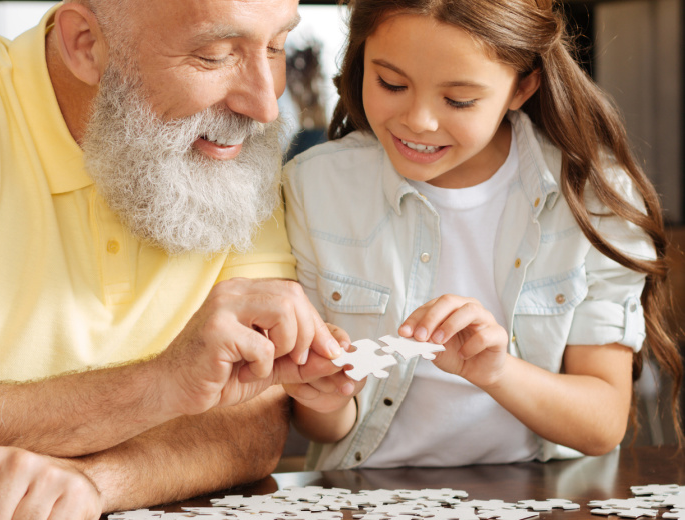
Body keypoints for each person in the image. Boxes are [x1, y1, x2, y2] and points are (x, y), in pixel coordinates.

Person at [0, 0, 345, 517]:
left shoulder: (233, 145)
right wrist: (157, 386)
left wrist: (96, 484)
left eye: (276, 46)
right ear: (86, 44)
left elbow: (254, 420)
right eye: (213, 55)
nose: (264, 105)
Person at [282, 0, 683, 470]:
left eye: (458, 100)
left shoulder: (596, 199)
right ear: (362, 56)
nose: (419, 121)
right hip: (365, 492)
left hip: (539, 494)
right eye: (391, 83)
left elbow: (602, 423)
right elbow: (323, 427)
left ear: (523, 86)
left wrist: (498, 371)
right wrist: (322, 392)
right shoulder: (314, 187)